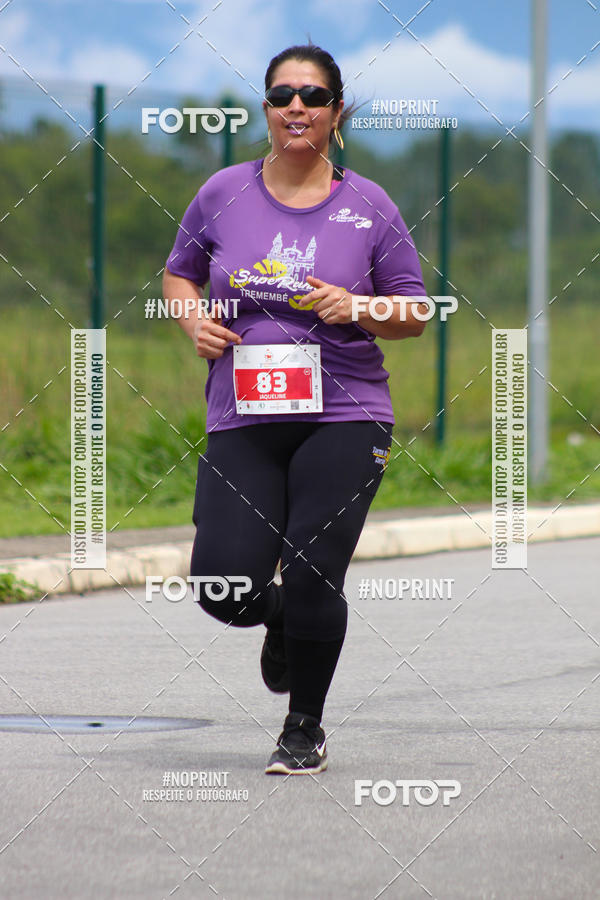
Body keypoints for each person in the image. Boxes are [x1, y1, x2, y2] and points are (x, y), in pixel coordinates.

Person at [163, 43, 428, 775]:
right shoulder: (222, 192)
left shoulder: (369, 204)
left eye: (313, 96)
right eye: (283, 95)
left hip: (346, 414)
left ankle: (303, 727)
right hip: (244, 414)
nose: (297, 107)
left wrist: (359, 306)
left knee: (314, 570)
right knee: (222, 587)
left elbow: (415, 311)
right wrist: (192, 321)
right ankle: (281, 618)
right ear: (267, 110)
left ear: (336, 113)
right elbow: (180, 274)